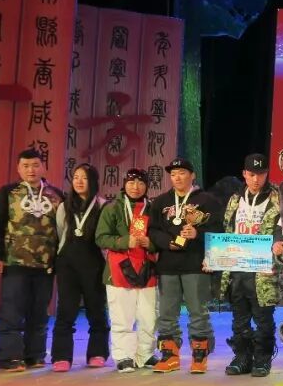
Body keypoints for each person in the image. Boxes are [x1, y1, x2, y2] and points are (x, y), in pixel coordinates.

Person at [0, 149, 65, 372]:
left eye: (35, 165)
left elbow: (63, 230)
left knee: (39, 311)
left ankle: (34, 355)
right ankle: (10, 357)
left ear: (43, 167)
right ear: (19, 169)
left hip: (45, 264)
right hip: (15, 262)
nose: (31, 170)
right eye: (26, 166)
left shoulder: (56, 195)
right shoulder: (8, 193)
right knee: (11, 310)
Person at [148, 158, 223, 374]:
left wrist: (197, 233)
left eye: (182, 173)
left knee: (198, 311)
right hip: (168, 265)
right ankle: (169, 355)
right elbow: (152, 230)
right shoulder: (160, 202)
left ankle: (199, 355)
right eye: (173, 174)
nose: (177, 178)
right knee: (166, 313)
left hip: (195, 264)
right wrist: (166, 242)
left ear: (192, 175)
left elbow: (219, 230)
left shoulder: (207, 201)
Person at [220, 154, 282, 378]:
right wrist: (216, 257)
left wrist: (278, 245)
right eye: (252, 174)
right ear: (244, 174)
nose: (256, 179)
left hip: (263, 270)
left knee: (263, 318)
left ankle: (263, 359)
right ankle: (242, 357)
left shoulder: (277, 199)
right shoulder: (235, 199)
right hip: (238, 268)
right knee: (240, 318)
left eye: (261, 174)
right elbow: (226, 231)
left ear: (267, 174)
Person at [95, 168, 159, 373]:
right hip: (119, 270)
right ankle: (124, 356)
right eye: (131, 183)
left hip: (147, 269)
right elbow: (100, 238)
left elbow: (161, 237)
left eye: (141, 183)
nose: (136, 187)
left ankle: (145, 354)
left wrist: (151, 243)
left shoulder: (152, 208)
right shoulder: (112, 208)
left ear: (146, 186)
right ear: (124, 184)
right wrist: (124, 241)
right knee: (122, 317)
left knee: (149, 317)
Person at [50, 163, 110, 371]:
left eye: (84, 177)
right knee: (66, 311)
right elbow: (60, 232)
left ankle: (97, 353)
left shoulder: (103, 206)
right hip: (67, 265)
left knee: (96, 310)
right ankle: (61, 356)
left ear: (93, 181)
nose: (79, 181)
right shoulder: (64, 206)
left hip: (94, 264)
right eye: (76, 177)